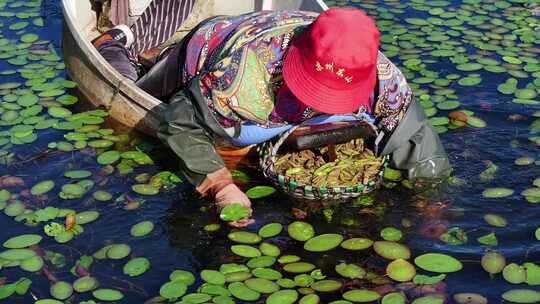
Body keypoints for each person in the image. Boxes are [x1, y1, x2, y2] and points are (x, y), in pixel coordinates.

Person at [93, 7, 452, 227]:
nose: (321, 104)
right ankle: (115, 44)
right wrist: (220, 185)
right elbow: (181, 121)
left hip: (271, 33)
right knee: (138, 90)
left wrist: (432, 204)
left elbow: (418, 139)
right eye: (314, 90)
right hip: (209, 46)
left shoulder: (382, 80)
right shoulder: (242, 77)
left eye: (333, 96)